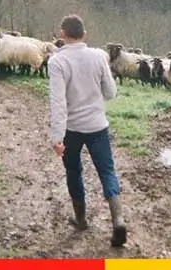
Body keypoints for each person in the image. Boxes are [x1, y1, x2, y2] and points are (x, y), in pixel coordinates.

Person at [47, 14, 127, 247]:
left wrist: (57, 137)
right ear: (84, 35)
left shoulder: (57, 62)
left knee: (73, 170)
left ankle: (80, 220)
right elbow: (111, 92)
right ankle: (118, 219)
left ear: (63, 34)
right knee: (107, 171)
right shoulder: (98, 57)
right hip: (98, 126)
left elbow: (58, 102)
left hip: (72, 129)